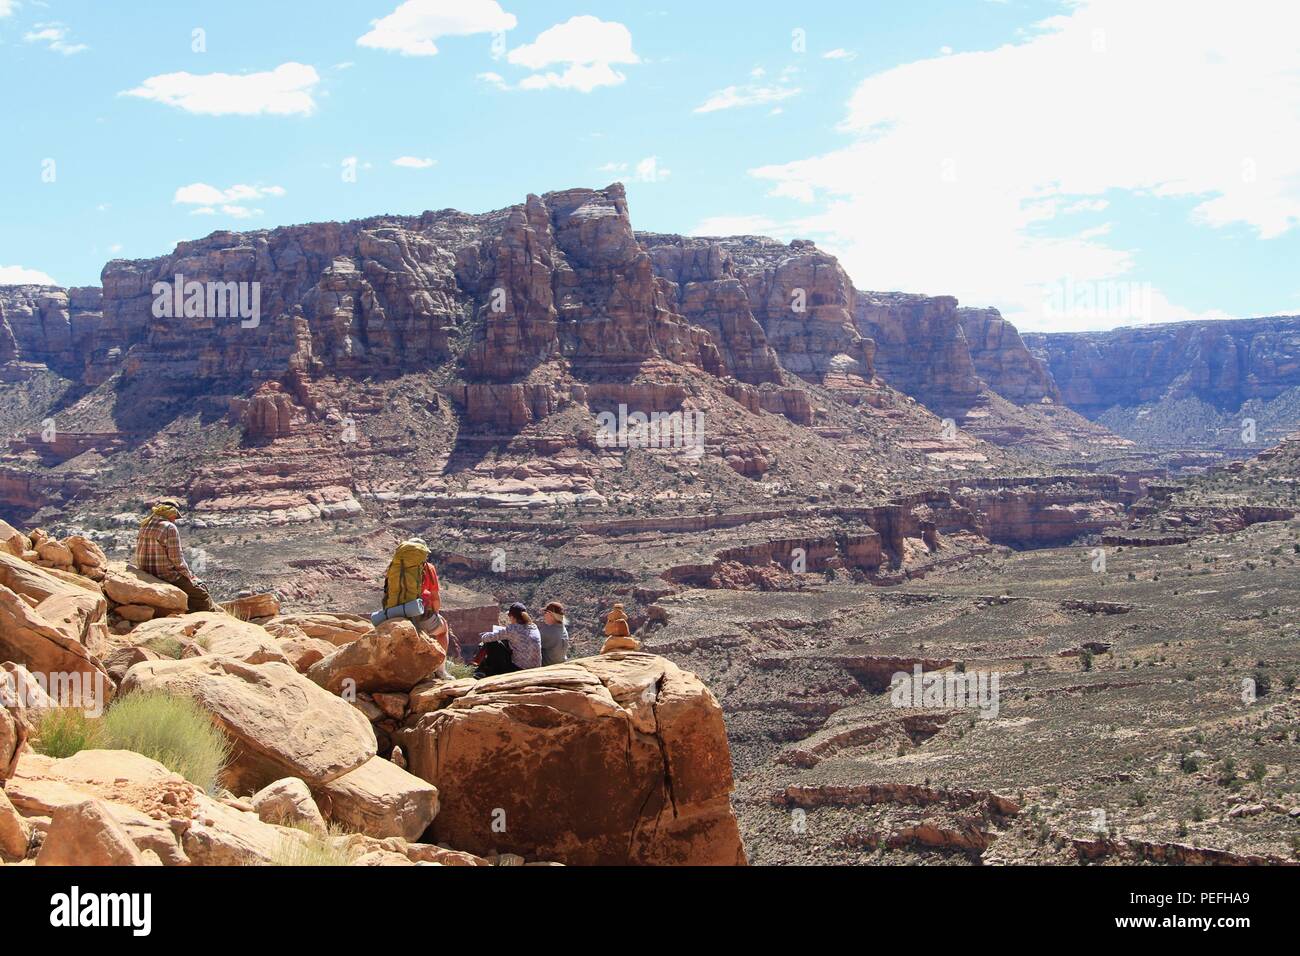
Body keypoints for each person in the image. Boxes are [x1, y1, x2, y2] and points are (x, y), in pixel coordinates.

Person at [382, 539, 452, 680]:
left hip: (393, 612)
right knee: (443, 629)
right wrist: (435, 614)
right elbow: (435, 597)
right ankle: (441, 670)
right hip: (418, 613)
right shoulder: (427, 567)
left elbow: (388, 591)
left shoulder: (394, 566)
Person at [134, 498, 214, 612]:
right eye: (174, 517)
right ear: (170, 514)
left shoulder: (145, 525)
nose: (175, 520)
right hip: (165, 574)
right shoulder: (169, 527)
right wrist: (189, 576)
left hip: (146, 572)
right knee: (201, 595)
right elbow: (177, 559)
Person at [474, 602, 542, 678]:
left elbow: (485, 638)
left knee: (493, 643)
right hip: (536, 669)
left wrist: (483, 634)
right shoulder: (534, 627)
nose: (509, 618)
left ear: (512, 617)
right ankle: (481, 670)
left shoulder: (513, 629)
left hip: (519, 669)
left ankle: (485, 672)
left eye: (509, 616)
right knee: (503, 641)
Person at [538, 601, 570, 666]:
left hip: (547, 666)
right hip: (560, 663)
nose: (544, 615)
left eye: (545, 612)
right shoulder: (562, 628)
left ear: (550, 614)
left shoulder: (548, 632)